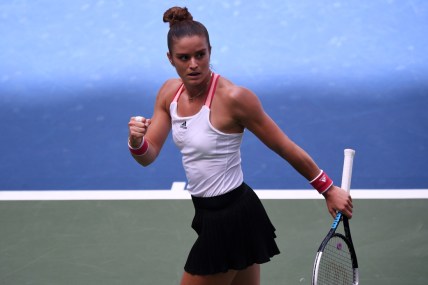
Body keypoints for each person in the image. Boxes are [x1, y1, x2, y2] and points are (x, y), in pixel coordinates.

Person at [128, 6, 353, 285]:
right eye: (183, 58)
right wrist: (136, 141)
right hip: (209, 214)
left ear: (211, 50)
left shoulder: (234, 99)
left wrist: (328, 189)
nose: (194, 64)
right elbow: (148, 156)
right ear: (170, 59)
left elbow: (283, 146)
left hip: (232, 218)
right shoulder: (168, 93)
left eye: (201, 55)